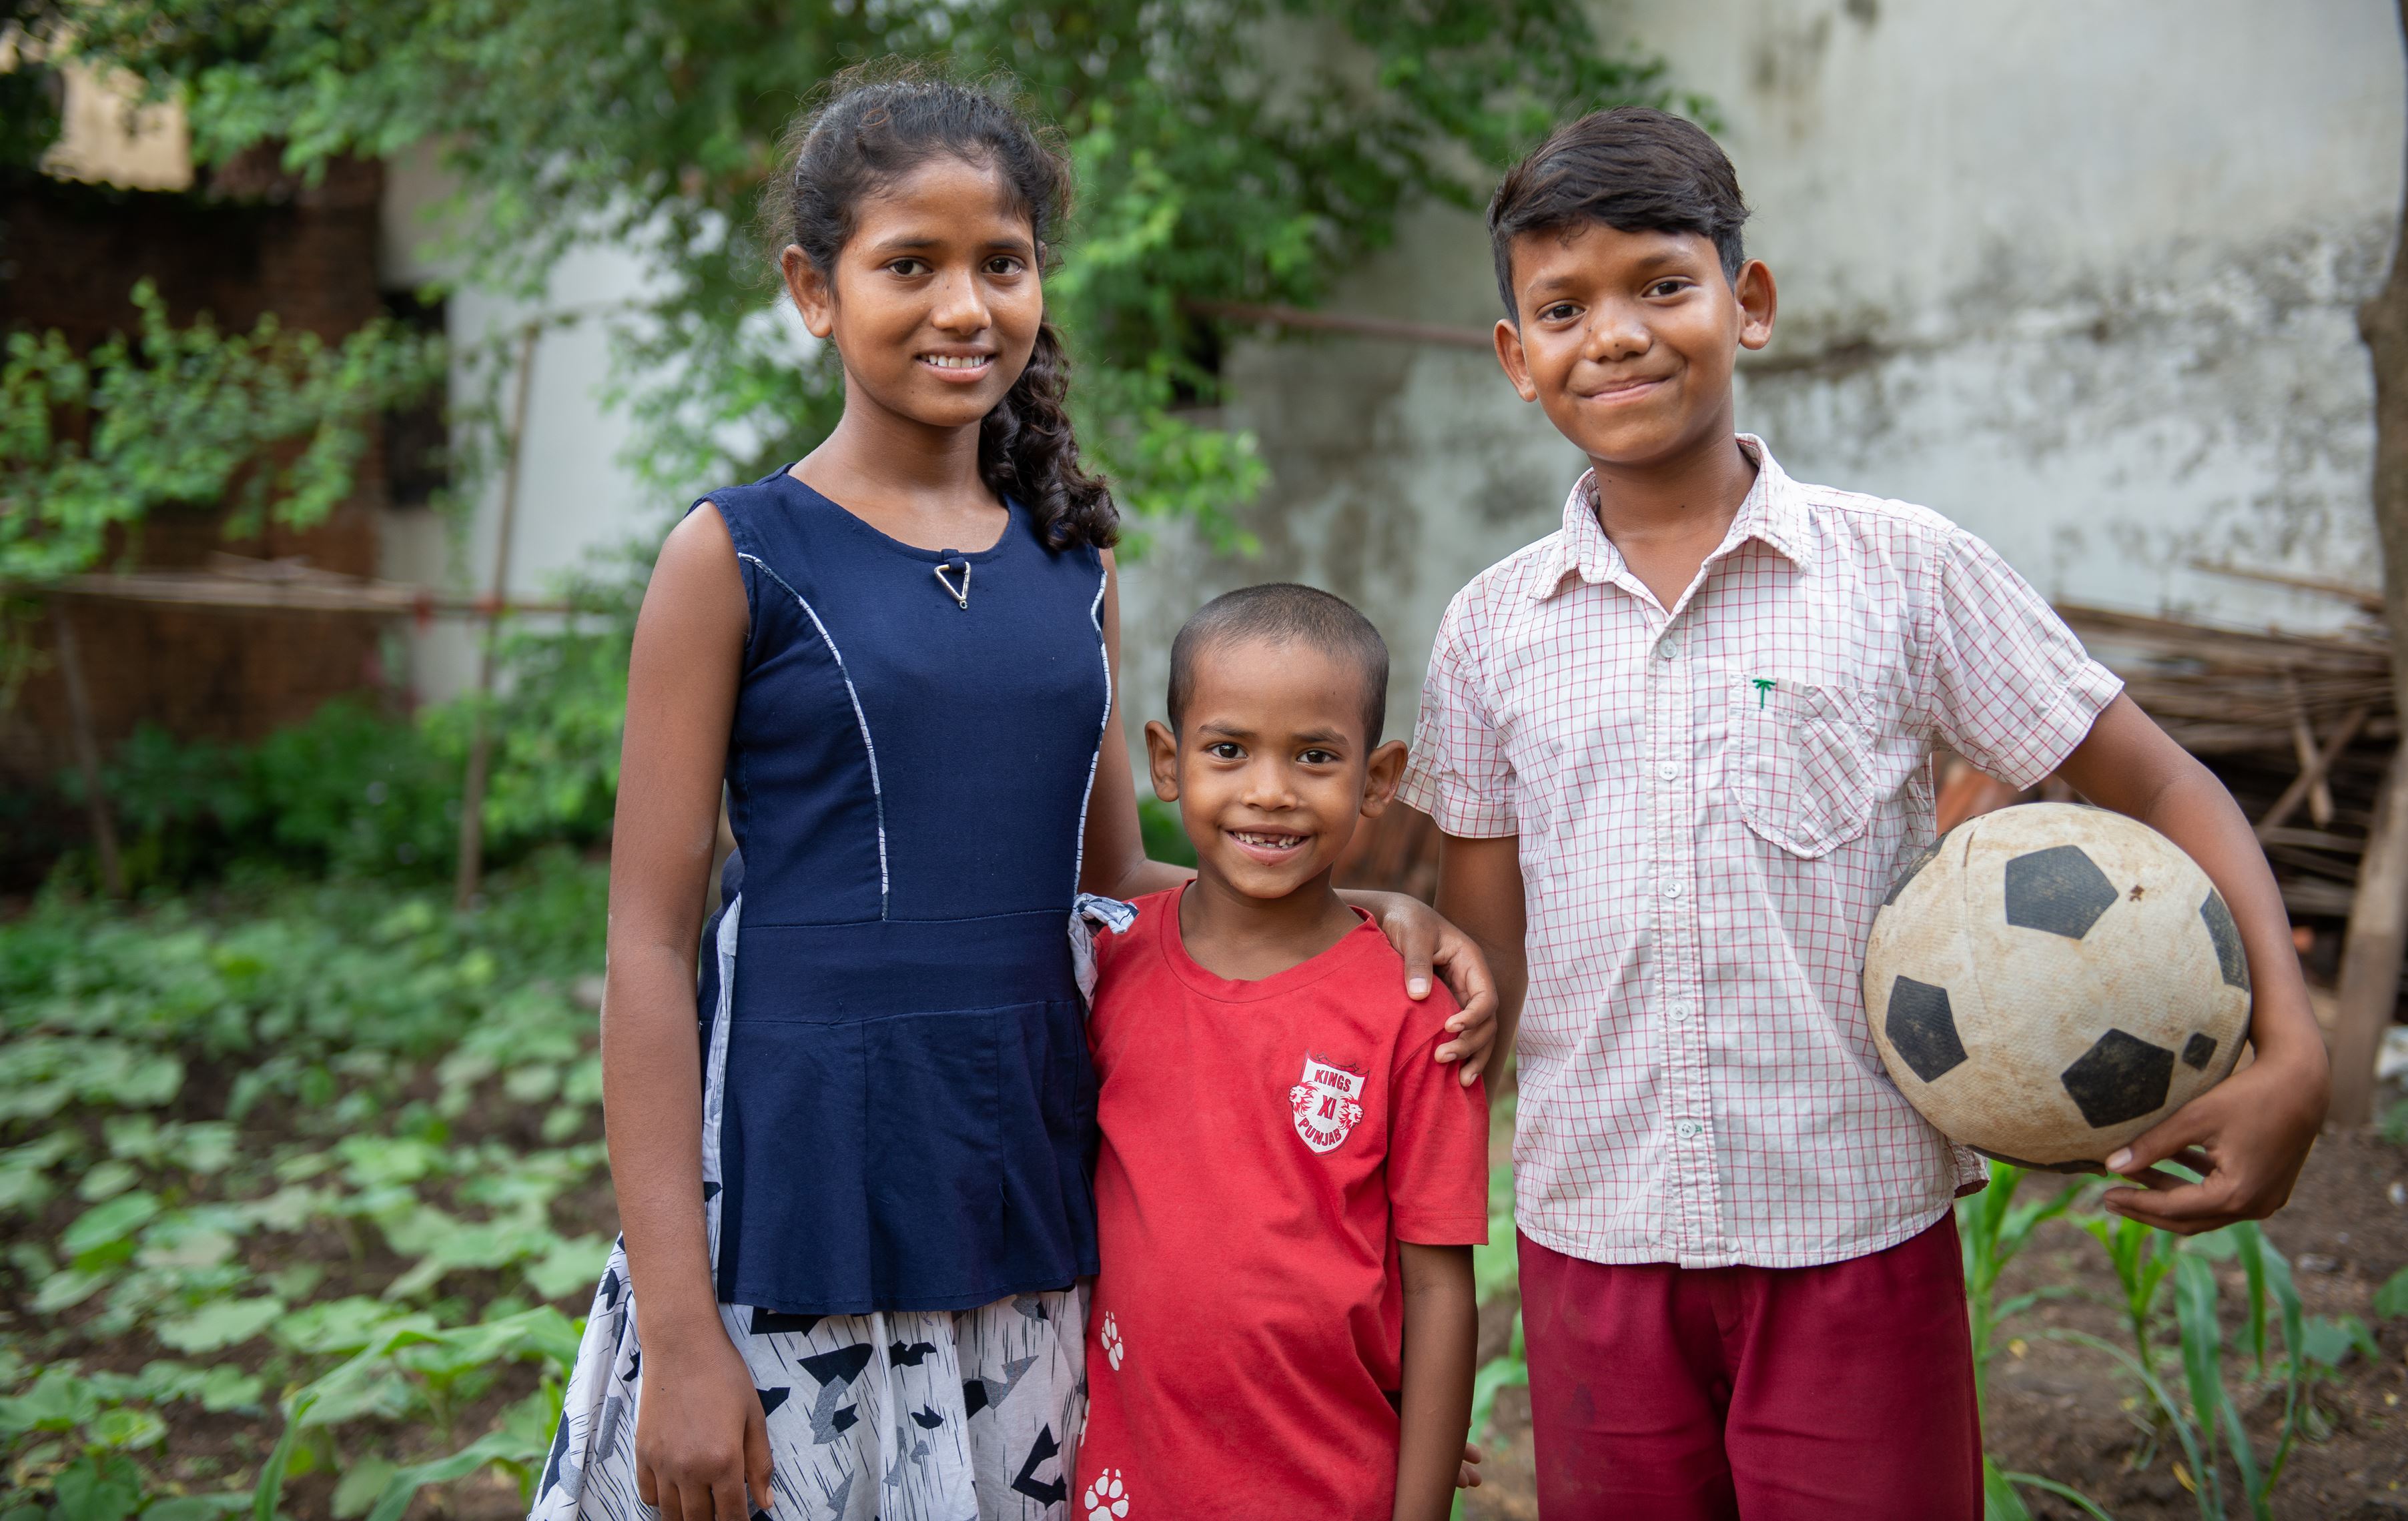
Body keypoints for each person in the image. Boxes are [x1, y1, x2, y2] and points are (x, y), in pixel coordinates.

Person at [526, 76, 1497, 1521]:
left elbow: (1105, 879)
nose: (962, 304)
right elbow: (648, 949)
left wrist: (1362, 910)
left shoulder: (1074, 567)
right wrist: (678, 1328)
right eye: (907, 264)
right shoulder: (731, 557)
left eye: (1002, 260)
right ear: (812, 289)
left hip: (1023, 1179)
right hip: (800, 1184)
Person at [1402, 107, 2331, 1520]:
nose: (1616, 334)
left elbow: (2158, 779)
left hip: (1850, 1233)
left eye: (1662, 282)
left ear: (1747, 302)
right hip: (1590, 1241)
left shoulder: (1901, 572)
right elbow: (1480, 976)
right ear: (1514, 360)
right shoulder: (1487, 631)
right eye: (1561, 306)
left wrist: (2294, 1041)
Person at [1072, 584, 1489, 1521]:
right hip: (1125, 1482)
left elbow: (1436, 1289)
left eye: (1313, 756)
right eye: (1229, 750)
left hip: (1329, 1486)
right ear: (1167, 763)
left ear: (1377, 779)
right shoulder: (1103, 964)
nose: (1269, 790)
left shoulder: (1413, 1011)